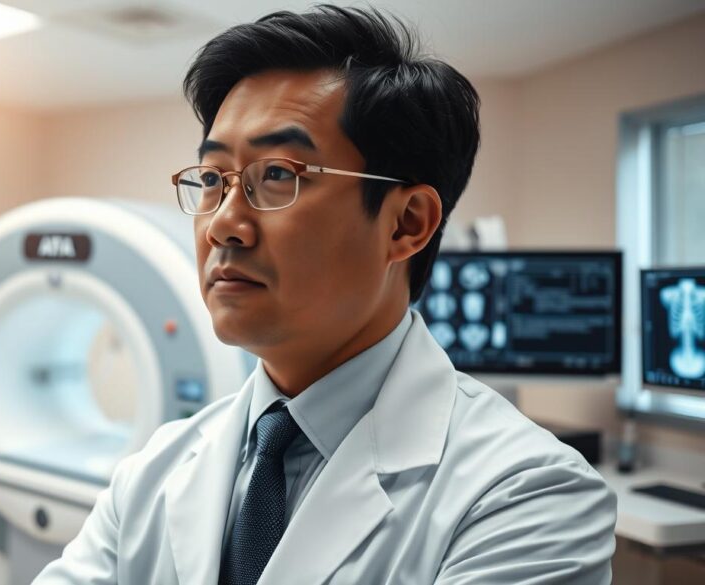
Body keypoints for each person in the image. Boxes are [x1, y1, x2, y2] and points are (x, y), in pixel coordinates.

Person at [34, 5, 616, 584]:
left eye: (279, 175)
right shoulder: (154, 469)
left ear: (406, 223)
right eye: (212, 179)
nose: (222, 225)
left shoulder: (529, 497)